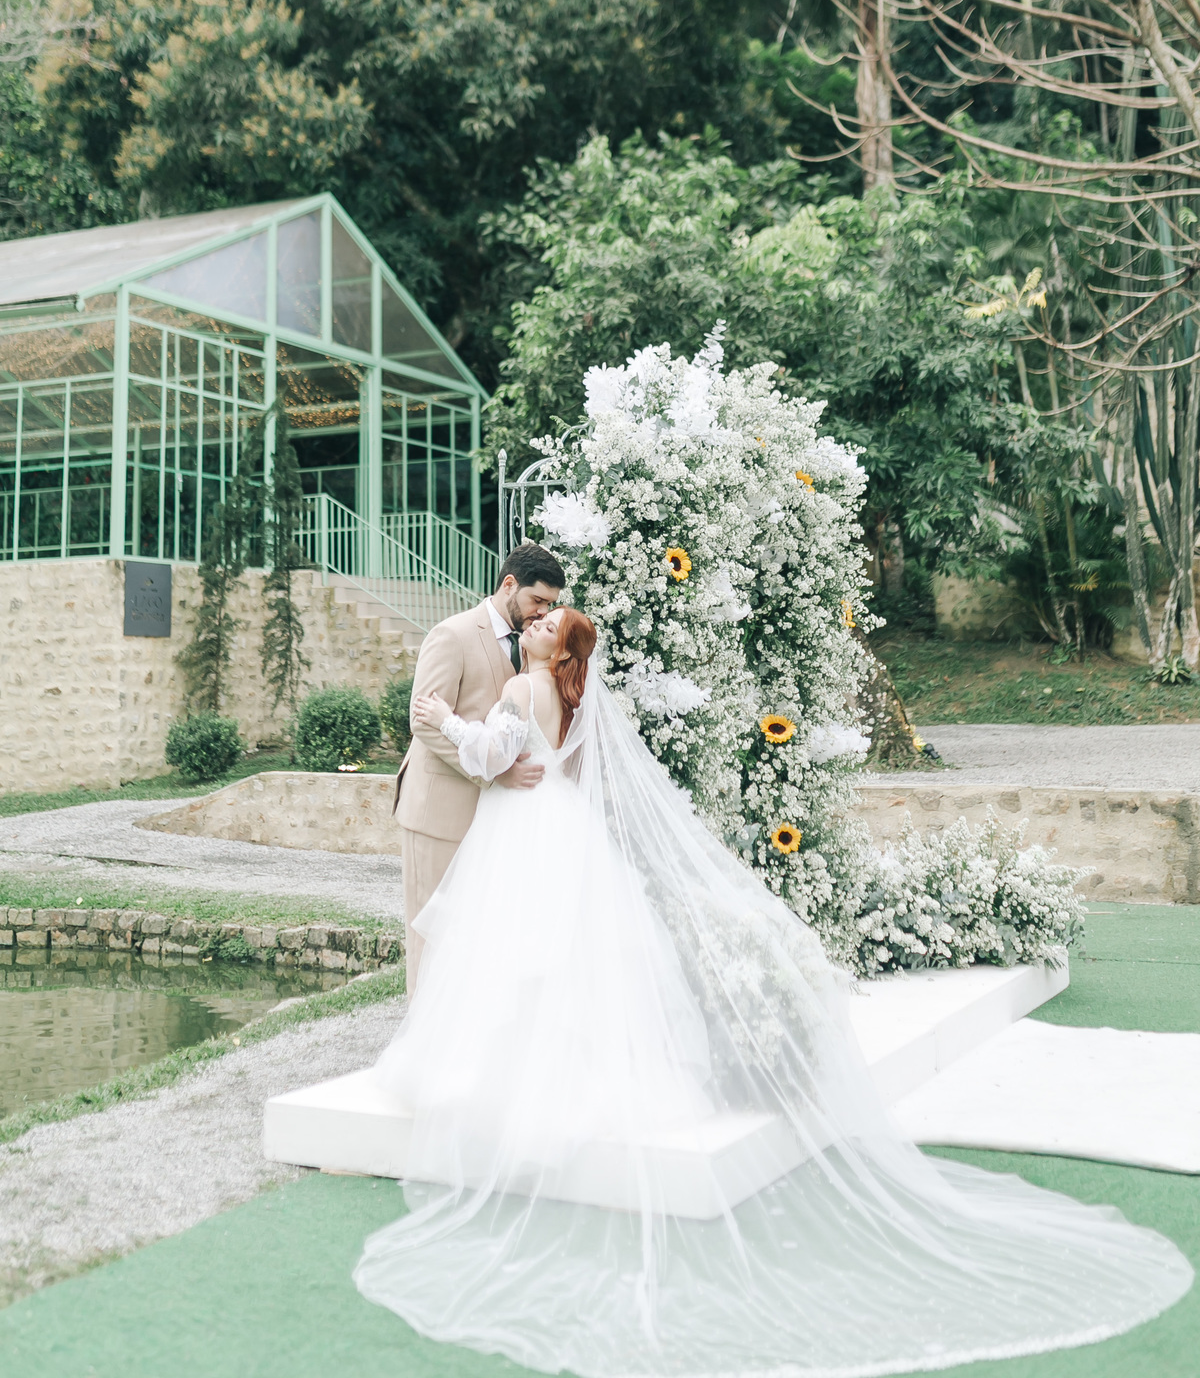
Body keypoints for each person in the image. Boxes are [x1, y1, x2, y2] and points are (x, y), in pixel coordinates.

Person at [359, 607, 1191, 1378]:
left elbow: (490, 760)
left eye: (548, 624)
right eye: (539, 618)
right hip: (563, 830)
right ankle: (566, 1078)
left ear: (556, 650)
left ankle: (501, 1084)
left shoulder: (520, 687)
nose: (537, 625)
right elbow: (550, 764)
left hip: (523, 834)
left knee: (511, 955)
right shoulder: (575, 698)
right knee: (563, 960)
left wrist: (443, 721)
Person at [392, 540, 564, 989]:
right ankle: (421, 1030)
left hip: (492, 822)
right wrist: (496, 772)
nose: (542, 613)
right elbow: (422, 720)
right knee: (431, 938)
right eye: (537, 600)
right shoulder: (453, 635)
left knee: (471, 941)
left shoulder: (531, 646)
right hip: (438, 812)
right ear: (509, 584)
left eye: (550, 605)